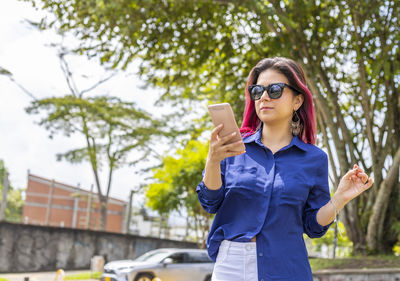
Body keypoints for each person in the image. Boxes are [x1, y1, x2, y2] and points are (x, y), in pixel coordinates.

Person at [196, 57, 374, 281]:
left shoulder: (314, 159)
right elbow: (210, 202)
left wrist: (339, 199)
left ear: (297, 100)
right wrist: (212, 160)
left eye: (275, 90)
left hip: (287, 267)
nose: (264, 97)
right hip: (231, 267)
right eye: (258, 90)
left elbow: (313, 226)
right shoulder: (231, 148)